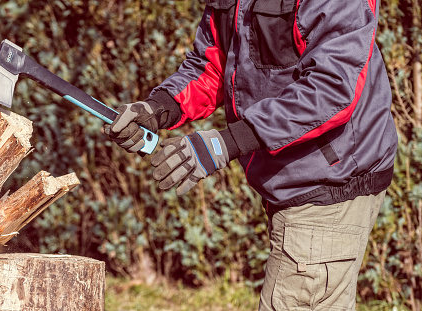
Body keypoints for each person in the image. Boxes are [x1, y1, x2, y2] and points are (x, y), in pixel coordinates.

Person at [104, 0, 397, 309]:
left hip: (329, 180)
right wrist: (161, 107)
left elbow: (331, 90)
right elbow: (214, 63)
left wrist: (226, 143)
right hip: (293, 181)